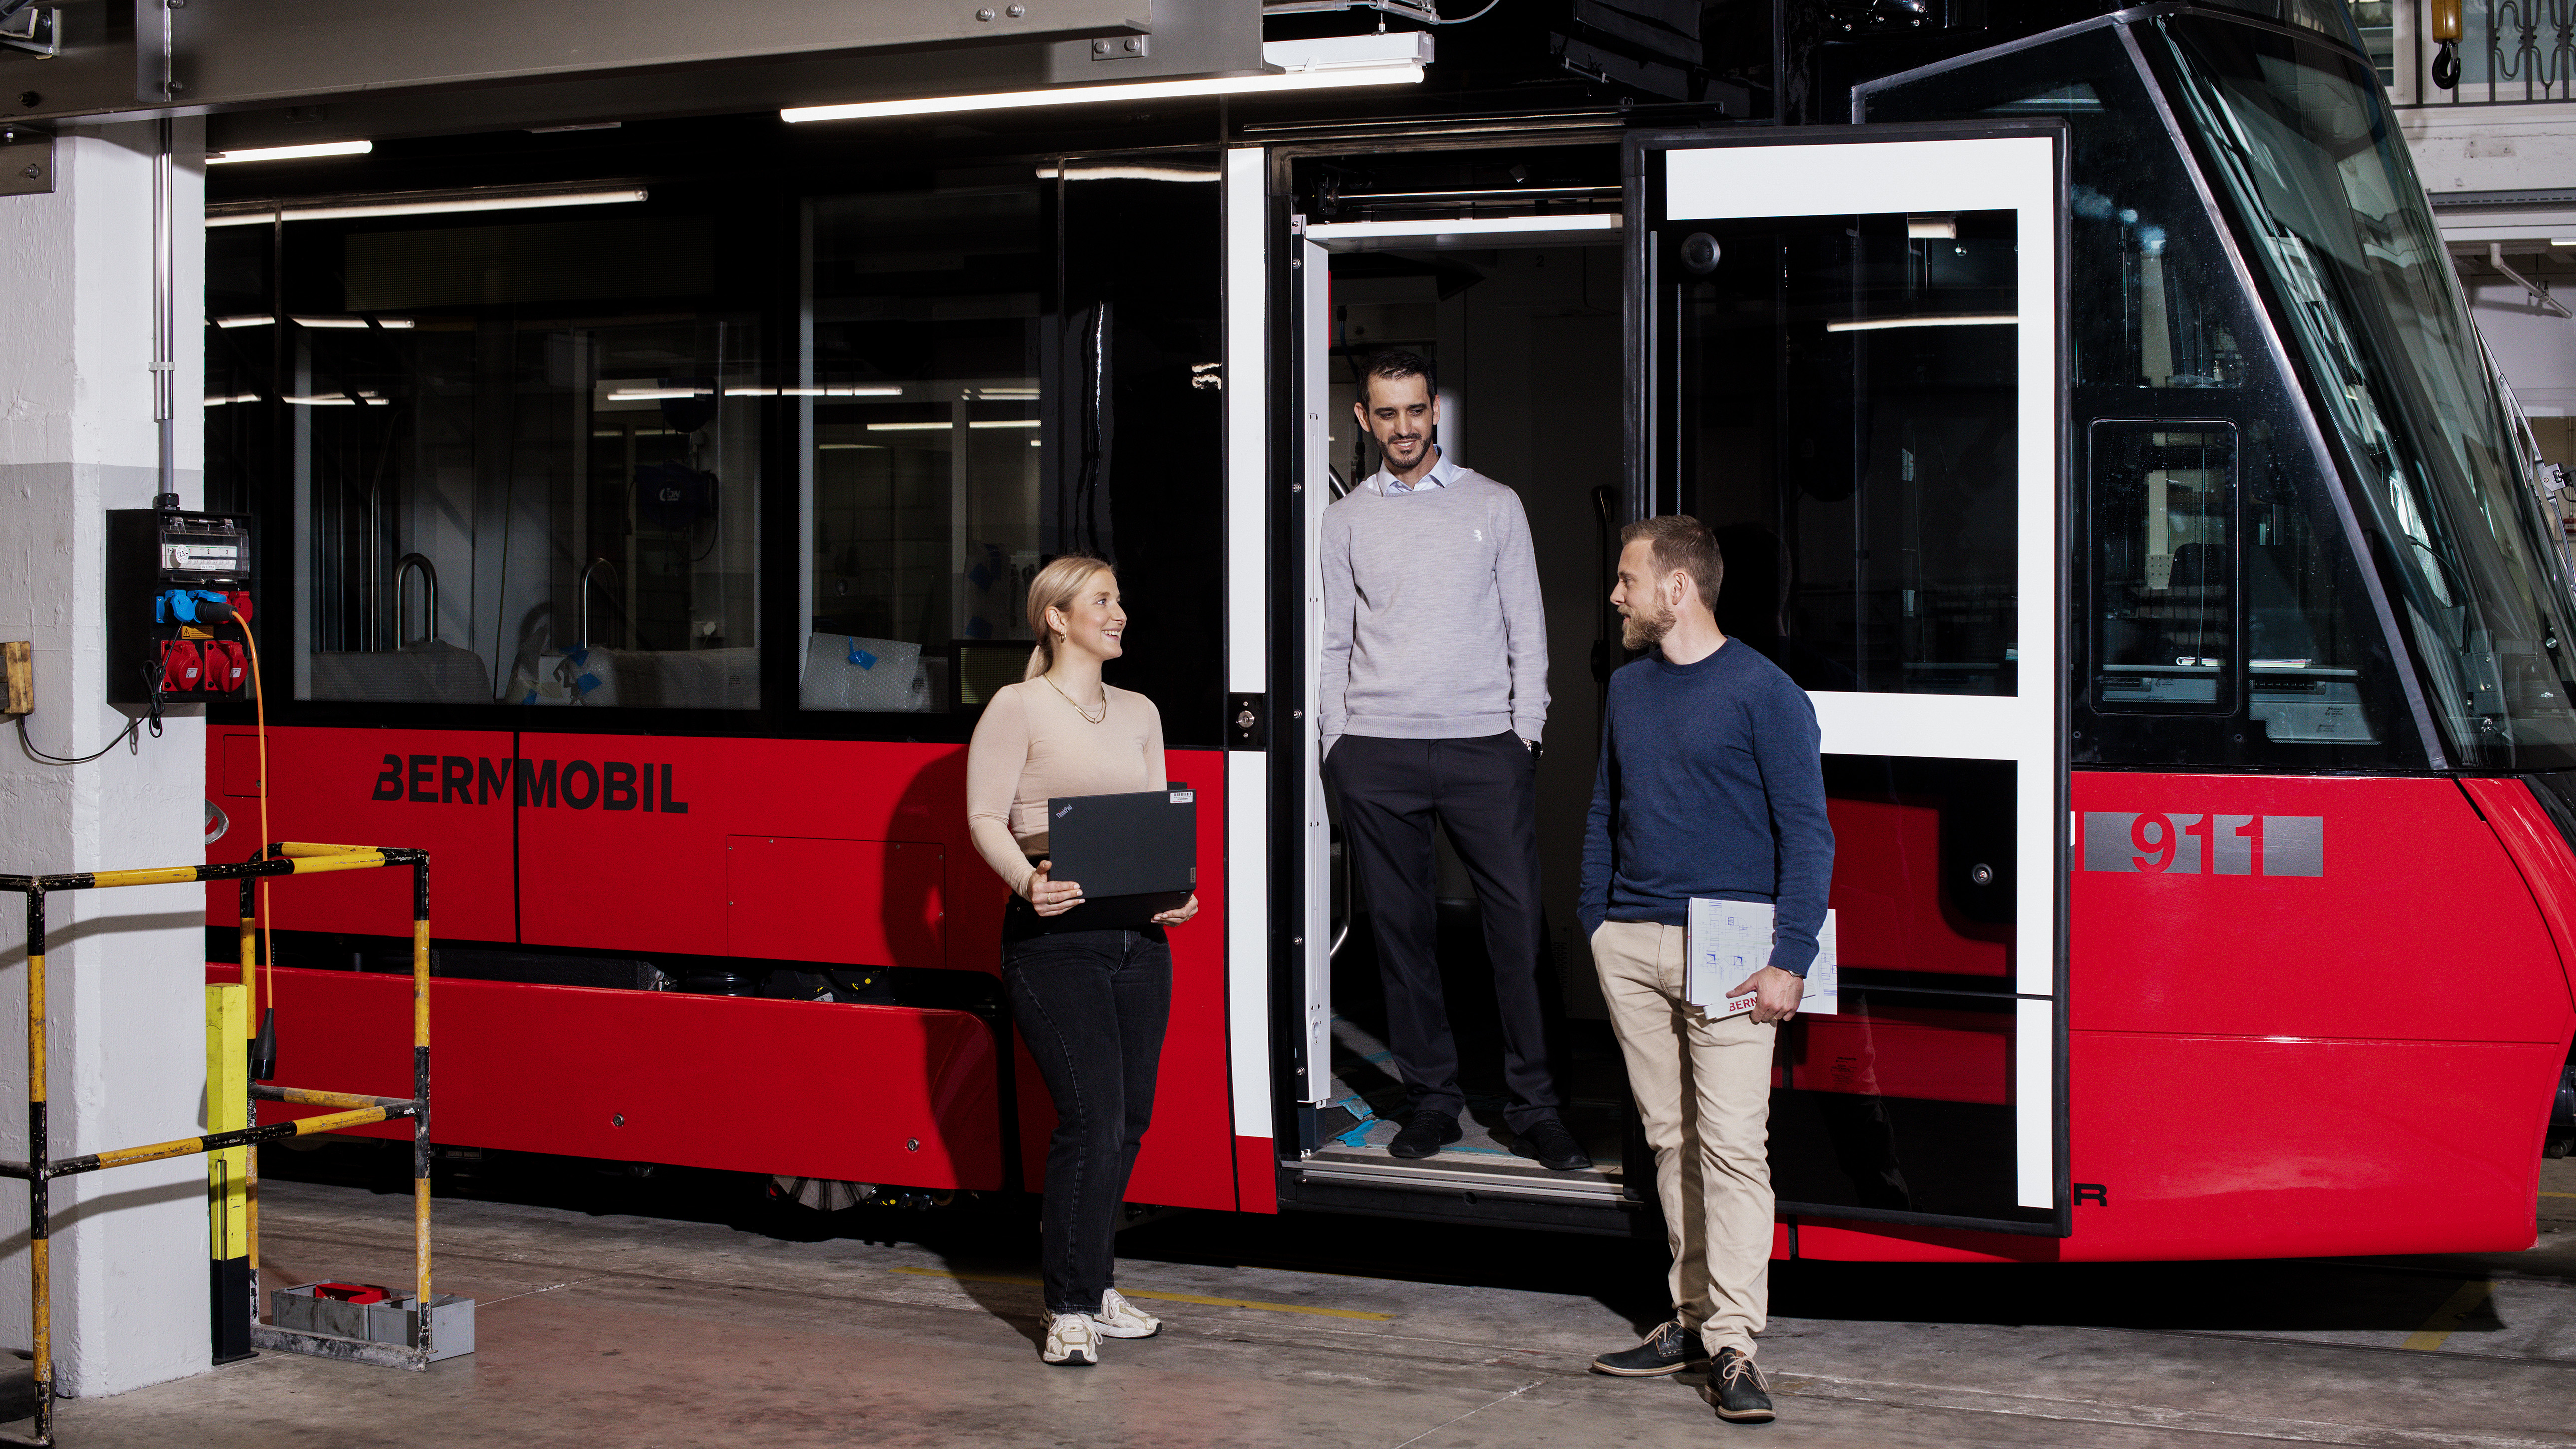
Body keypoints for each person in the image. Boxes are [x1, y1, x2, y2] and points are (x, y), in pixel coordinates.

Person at [1579, 515, 1832, 1425]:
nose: (1618, 595)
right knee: (1669, 1140)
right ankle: (1689, 1318)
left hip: (1731, 951)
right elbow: (1605, 806)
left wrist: (1789, 958)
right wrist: (1596, 923)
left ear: (1677, 589)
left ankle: (1734, 1343)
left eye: (1629, 580)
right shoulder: (1630, 691)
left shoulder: (1765, 693)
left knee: (1731, 1148)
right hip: (1634, 944)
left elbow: (1809, 833)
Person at [1316, 349, 1583, 1172]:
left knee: (1517, 932)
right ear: (1364, 419)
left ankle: (1537, 1106)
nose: (1402, 428)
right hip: (1377, 751)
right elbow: (1331, 641)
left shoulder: (1494, 506)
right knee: (1402, 937)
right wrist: (1337, 740)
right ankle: (1434, 1100)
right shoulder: (1344, 520)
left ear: (1437, 412)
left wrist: (1524, 732)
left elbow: (1527, 629)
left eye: (1415, 411)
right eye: (1385, 413)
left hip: (1483, 748)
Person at [966, 553, 1199, 1368]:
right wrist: (1029, 882)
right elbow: (985, 816)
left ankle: (1097, 1284)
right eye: (1103, 599)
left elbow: (1155, 819)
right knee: (1091, 1118)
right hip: (1055, 940)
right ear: (1058, 618)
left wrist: (1178, 889)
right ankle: (1066, 1305)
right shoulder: (1017, 705)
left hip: (1141, 939)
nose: (1121, 610)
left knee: (1127, 1122)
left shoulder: (1140, 710)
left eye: (1120, 597)